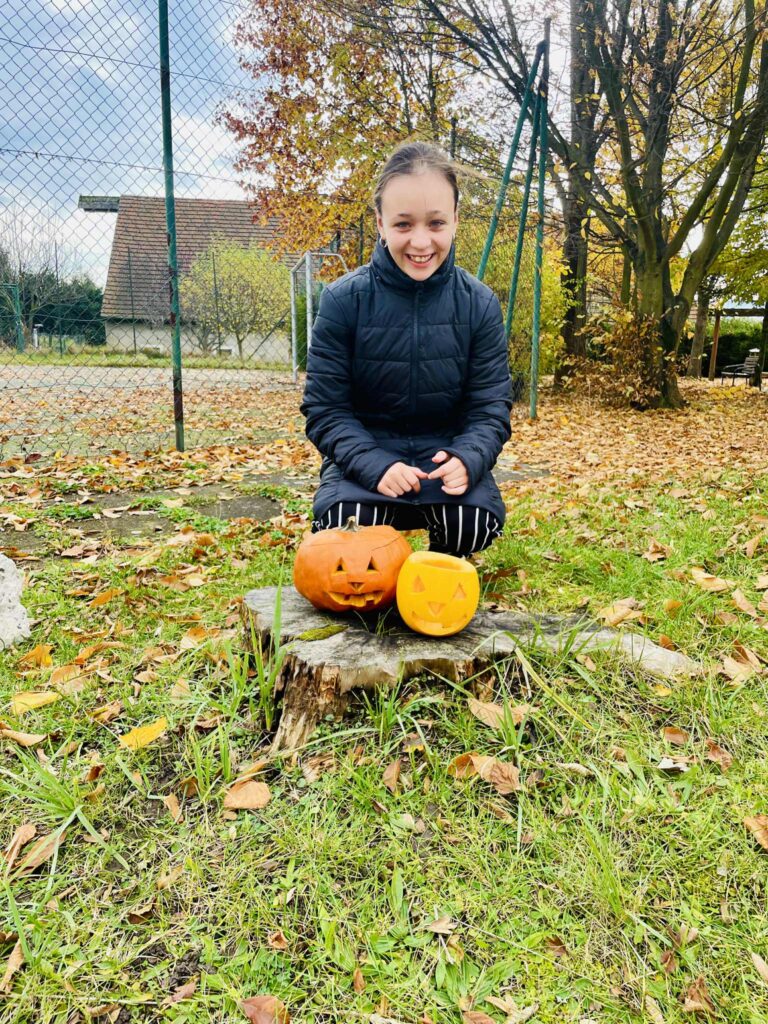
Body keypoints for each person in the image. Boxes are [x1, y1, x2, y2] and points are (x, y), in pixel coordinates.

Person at [300, 141, 512, 558]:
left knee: (472, 526)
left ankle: (439, 569)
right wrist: (376, 465)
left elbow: (490, 408)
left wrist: (467, 459)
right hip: (366, 458)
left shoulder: (480, 304)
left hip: (443, 458)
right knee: (343, 524)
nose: (420, 241)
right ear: (380, 223)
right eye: (402, 225)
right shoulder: (343, 301)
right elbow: (326, 409)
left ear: (455, 220)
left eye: (436, 223)